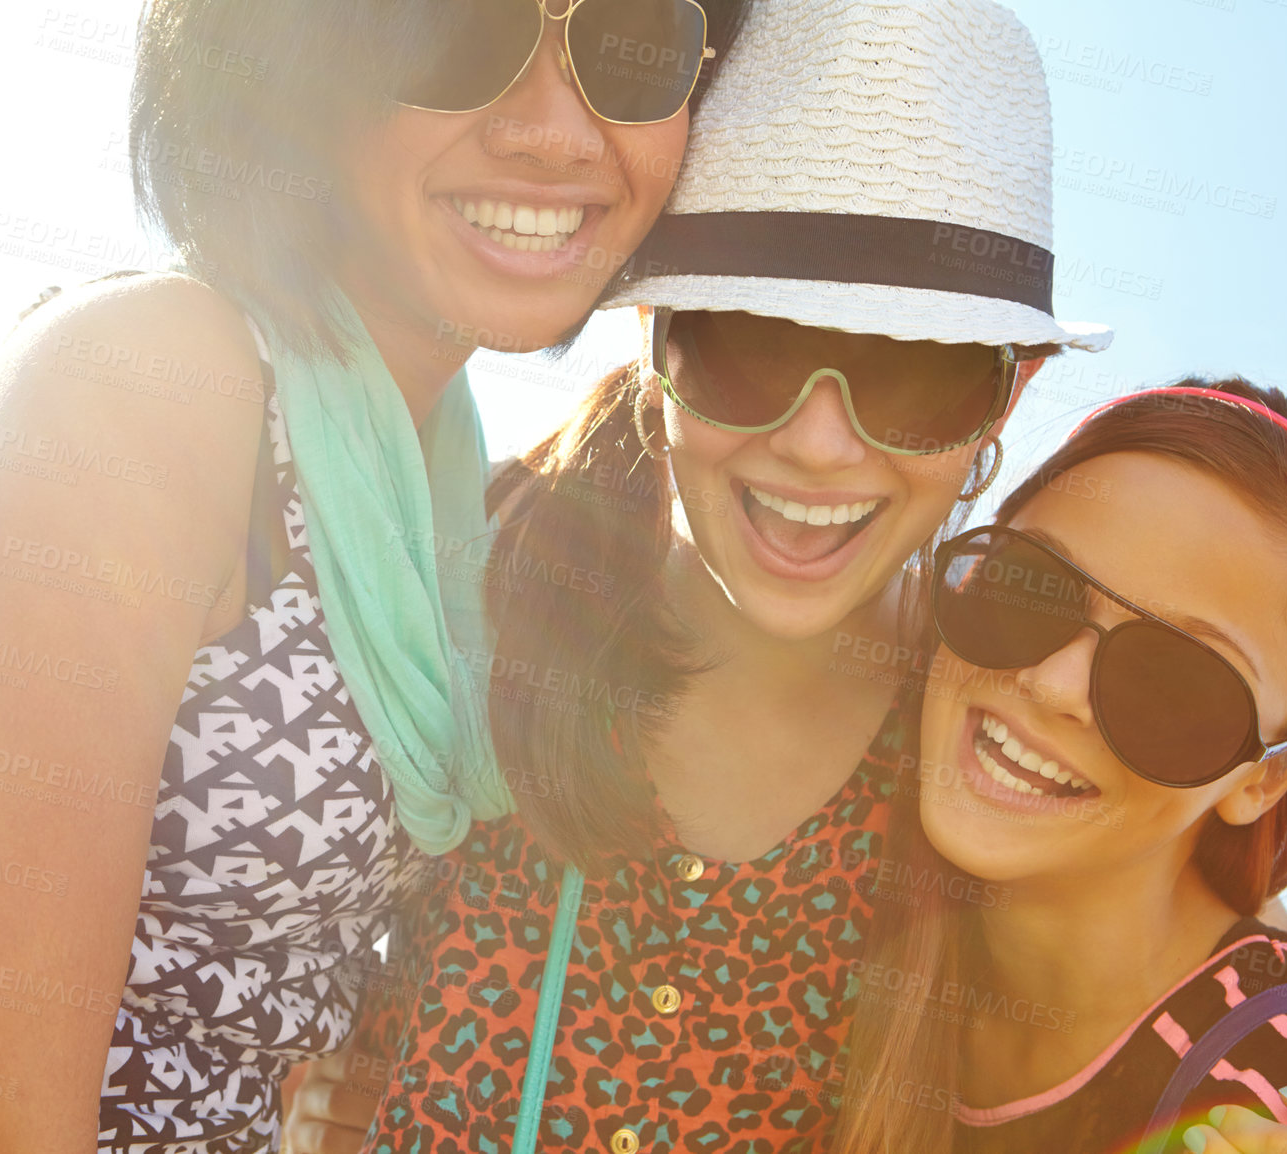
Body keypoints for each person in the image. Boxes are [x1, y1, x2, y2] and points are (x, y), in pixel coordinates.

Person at [0, 2, 752, 1151]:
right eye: (459, 32)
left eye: (632, 44)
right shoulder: (156, 382)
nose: (556, 132)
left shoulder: (428, 492)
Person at [296, 3, 1115, 1152]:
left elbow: (1210, 951)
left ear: (1006, 397)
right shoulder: (475, 570)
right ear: (656, 335)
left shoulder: (992, 732)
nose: (821, 445)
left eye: (917, 375)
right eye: (750, 342)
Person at [834, 382, 1287, 1154]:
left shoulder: (1272, 1106)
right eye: (1030, 586)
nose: (1053, 687)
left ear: (1266, 780)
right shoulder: (854, 760)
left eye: (1176, 683)